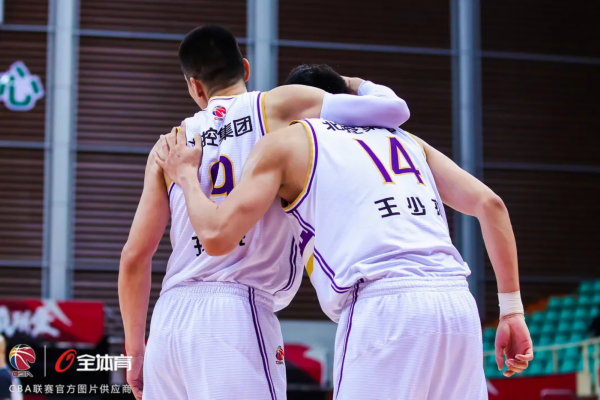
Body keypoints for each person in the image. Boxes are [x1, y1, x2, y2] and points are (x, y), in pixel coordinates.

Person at [154, 65, 534, 400]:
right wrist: (512, 311)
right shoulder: (407, 140)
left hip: (384, 305)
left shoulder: (290, 140)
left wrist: (185, 175)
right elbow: (491, 205)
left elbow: (217, 234)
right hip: (456, 304)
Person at [118, 26, 410, 400]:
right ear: (245, 67)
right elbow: (392, 111)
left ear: (195, 86)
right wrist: (351, 83)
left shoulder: (170, 145)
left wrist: (135, 350)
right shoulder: (276, 106)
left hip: (169, 321)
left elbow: (134, 257)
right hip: (236, 311)